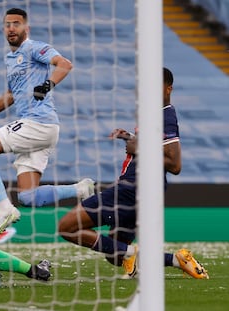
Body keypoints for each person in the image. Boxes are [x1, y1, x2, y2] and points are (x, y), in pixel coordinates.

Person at [57, 68, 209, 279]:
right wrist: (129, 136)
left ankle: (133, 254)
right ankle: (176, 259)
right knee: (115, 255)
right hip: (142, 190)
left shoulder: (166, 115)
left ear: (168, 89)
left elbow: (175, 165)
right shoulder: (153, 113)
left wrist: (138, 148)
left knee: (66, 227)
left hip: (133, 188)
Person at [0, 7, 94, 237]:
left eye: (17, 23)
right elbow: (11, 94)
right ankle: (80, 188)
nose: (11, 28)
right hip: (39, 129)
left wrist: (48, 85)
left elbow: (64, 64)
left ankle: (4, 208)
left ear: (26, 28)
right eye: (8, 24)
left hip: (39, 123)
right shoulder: (10, 59)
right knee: (28, 196)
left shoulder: (34, 48)